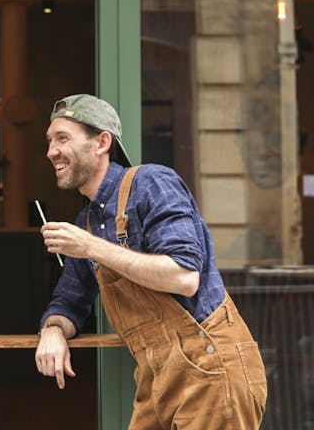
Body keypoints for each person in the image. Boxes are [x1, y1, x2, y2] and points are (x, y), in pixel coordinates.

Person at [35, 94, 267, 429]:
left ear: (101, 142)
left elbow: (184, 275)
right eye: (49, 141)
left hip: (211, 370)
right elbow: (69, 301)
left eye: (63, 138)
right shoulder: (86, 221)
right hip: (156, 381)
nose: (51, 151)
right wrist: (53, 329)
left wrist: (91, 247)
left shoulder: (151, 183)